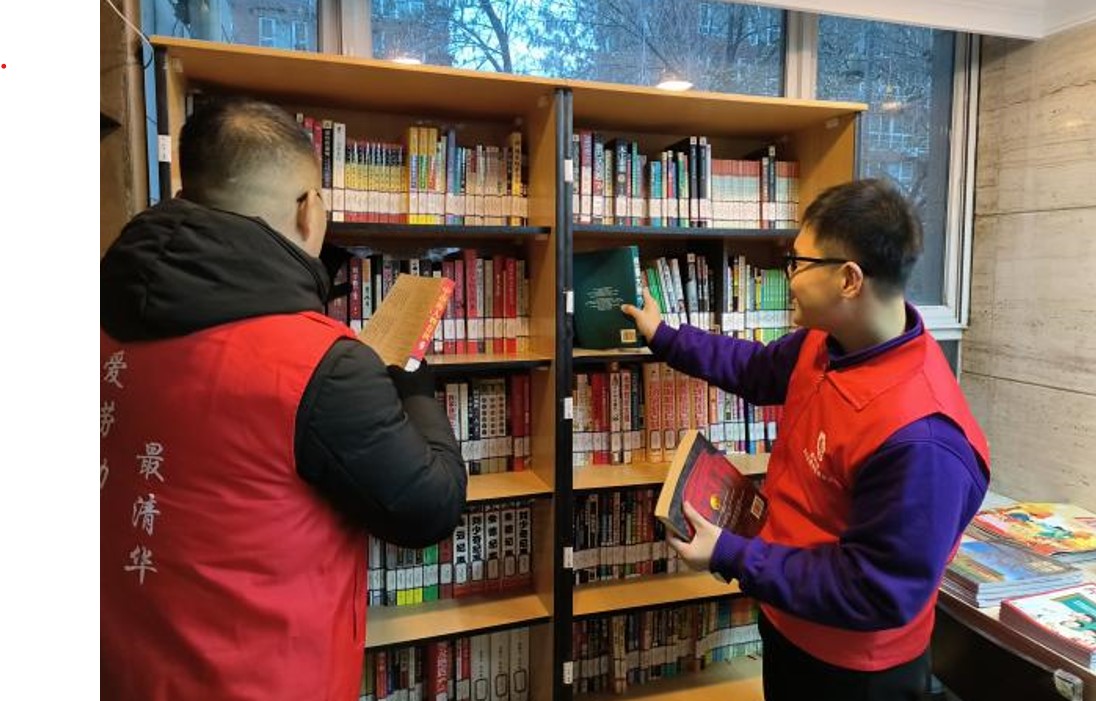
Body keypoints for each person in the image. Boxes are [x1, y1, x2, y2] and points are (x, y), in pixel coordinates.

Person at [101, 98, 467, 700]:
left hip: (120, 669)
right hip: (266, 679)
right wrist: (415, 389)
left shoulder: (100, 318)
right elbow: (429, 508)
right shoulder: (319, 362)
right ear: (307, 209)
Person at [622, 178, 990, 701]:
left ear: (848, 279)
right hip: (789, 621)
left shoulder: (921, 438)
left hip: (854, 673)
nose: (788, 276)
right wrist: (666, 336)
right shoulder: (828, 342)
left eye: (797, 262)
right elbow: (755, 369)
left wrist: (731, 554)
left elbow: (875, 590)